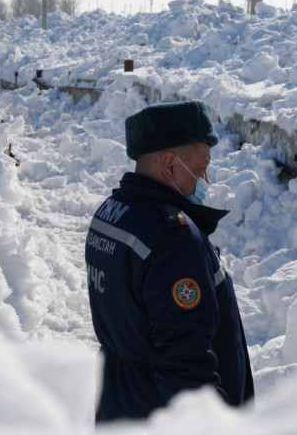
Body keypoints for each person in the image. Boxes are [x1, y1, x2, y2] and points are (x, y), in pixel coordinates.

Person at [85, 100, 254, 422]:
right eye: (202, 167)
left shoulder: (113, 211)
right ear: (170, 164)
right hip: (160, 413)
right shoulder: (174, 240)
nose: (205, 180)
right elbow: (186, 364)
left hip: (119, 400)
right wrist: (213, 425)